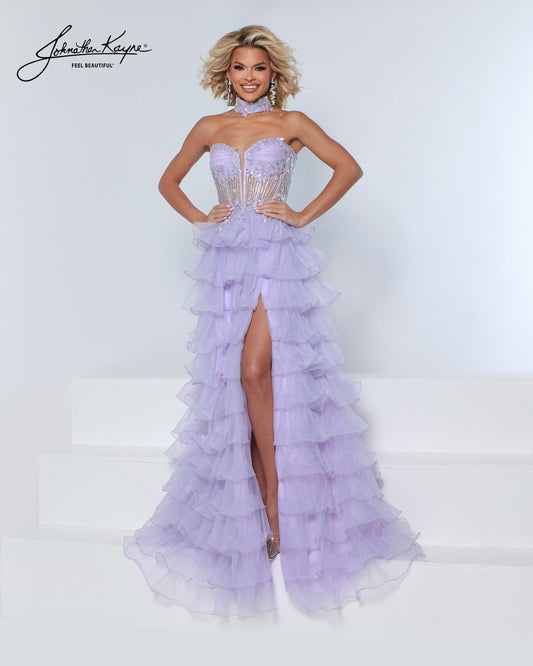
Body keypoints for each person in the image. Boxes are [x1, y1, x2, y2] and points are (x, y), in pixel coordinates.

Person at [123, 24, 425, 618]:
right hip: (225, 262)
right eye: (240, 67)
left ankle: (278, 499)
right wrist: (201, 216)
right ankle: (256, 502)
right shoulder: (208, 128)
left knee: (255, 369)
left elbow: (348, 168)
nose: (249, 77)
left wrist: (300, 214)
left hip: (276, 256)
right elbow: (167, 181)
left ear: (273, 74)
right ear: (226, 73)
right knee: (234, 385)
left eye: (259, 68)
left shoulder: (291, 123)